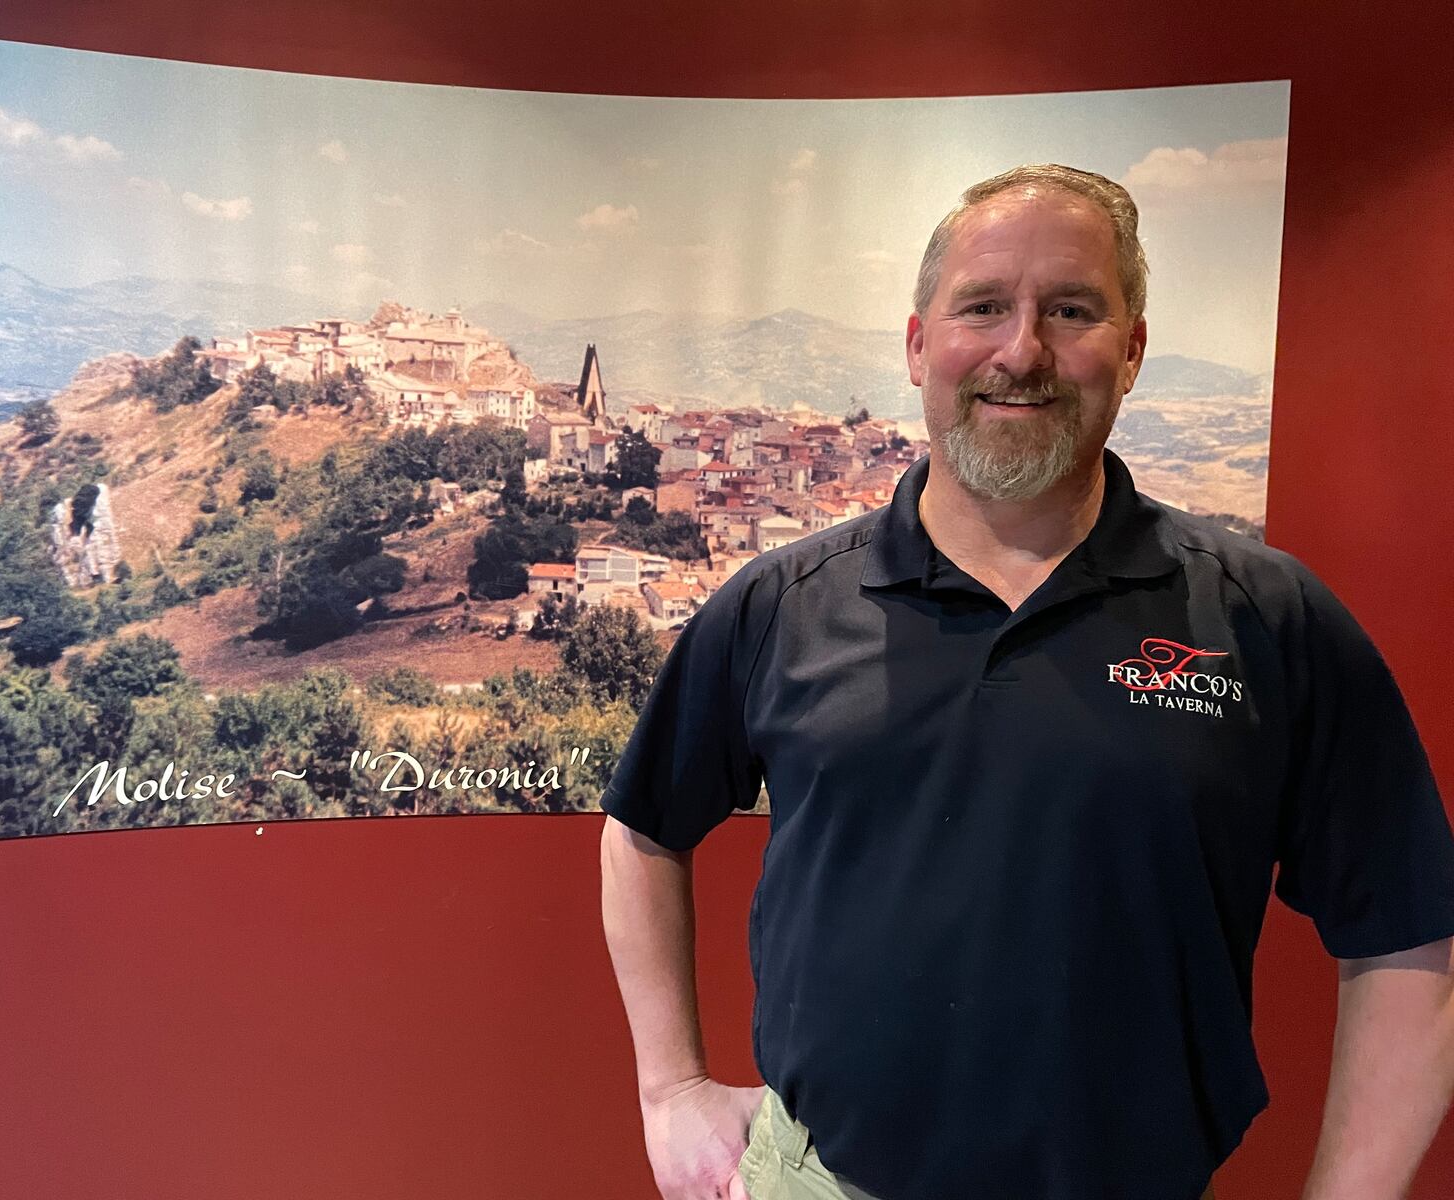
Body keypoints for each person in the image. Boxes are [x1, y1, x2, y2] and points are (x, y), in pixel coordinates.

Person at [599, 163, 1454, 1200]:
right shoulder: (781, 604)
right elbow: (643, 828)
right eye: (984, 307)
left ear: (1131, 350)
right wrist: (671, 1086)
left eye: (1072, 309)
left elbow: (1411, 933)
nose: (1022, 351)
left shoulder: (1264, 616)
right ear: (919, 345)